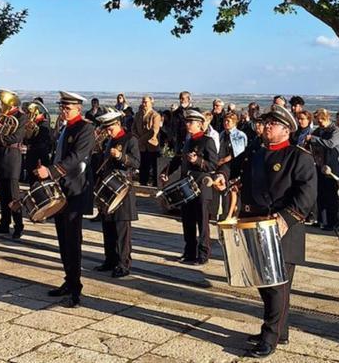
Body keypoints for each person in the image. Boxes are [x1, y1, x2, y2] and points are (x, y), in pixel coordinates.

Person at [214, 104, 317, 358]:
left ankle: (270, 337)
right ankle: (279, 332)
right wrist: (221, 176)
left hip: (282, 228)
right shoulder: (255, 153)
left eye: (272, 123)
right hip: (253, 223)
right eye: (266, 122)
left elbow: (306, 195)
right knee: (263, 281)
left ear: (286, 130)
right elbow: (232, 167)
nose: (266, 126)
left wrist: (284, 219)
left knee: (277, 286)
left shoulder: (299, 157)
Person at [35, 91, 94, 308]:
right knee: (63, 239)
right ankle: (69, 281)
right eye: (61, 108)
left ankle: (76, 289)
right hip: (61, 190)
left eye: (67, 108)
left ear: (78, 109)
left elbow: (76, 157)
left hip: (75, 191)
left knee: (72, 240)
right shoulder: (65, 128)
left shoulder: (85, 128)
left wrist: (51, 171)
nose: (63, 111)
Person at [161, 109, 218, 265]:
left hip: (201, 187)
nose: (187, 125)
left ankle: (203, 254)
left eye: (190, 122)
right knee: (187, 221)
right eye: (187, 122)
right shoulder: (187, 141)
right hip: (186, 186)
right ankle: (189, 252)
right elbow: (177, 159)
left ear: (200, 124)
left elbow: (213, 165)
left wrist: (198, 161)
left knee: (202, 222)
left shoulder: (208, 141)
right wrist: (166, 172)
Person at [94, 110, 140, 278]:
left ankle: (123, 264)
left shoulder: (130, 139)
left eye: (110, 128)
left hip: (123, 188)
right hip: (108, 188)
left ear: (118, 124)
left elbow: (136, 163)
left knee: (122, 229)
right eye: (106, 129)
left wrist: (121, 156)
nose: (108, 131)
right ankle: (110, 260)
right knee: (108, 226)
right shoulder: (109, 141)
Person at [0, 90, 27, 239]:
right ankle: (4, 223)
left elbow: (16, 137)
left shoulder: (21, 117)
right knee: (3, 194)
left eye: (4, 102)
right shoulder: (2, 116)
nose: (1, 105)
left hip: (12, 157)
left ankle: (18, 225)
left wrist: (1, 133)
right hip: (1, 156)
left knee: (13, 195)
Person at [305, 109, 339, 230]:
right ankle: (321, 220)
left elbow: (331, 144)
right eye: (318, 121)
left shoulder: (335, 131)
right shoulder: (318, 131)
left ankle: (332, 222)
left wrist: (313, 139)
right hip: (320, 167)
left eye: (321, 120)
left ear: (327, 118)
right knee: (321, 194)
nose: (320, 123)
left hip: (333, 168)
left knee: (331, 196)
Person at [132, 95, 162, 186]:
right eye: (143, 102)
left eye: (146, 102)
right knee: (143, 167)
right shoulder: (138, 115)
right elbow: (133, 128)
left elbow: (154, 131)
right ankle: (142, 184)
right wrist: (137, 138)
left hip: (152, 146)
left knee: (154, 168)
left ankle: (156, 186)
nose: (144, 104)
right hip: (141, 147)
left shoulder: (155, 115)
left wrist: (140, 140)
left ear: (151, 103)